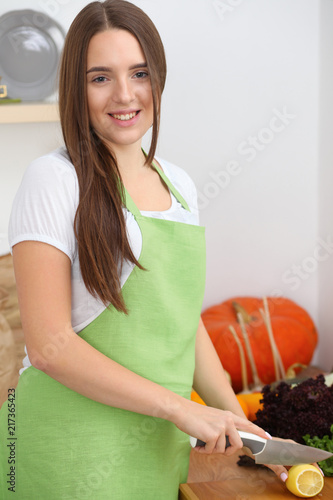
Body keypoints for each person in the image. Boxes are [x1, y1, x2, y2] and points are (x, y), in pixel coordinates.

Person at [0, 1, 312, 498]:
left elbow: (182, 326)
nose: (124, 94)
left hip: (152, 455)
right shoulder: (54, 181)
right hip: (65, 451)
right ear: (74, 89)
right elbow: (48, 347)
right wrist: (183, 409)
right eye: (99, 77)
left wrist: (241, 426)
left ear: (158, 80)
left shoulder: (180, 185)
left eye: (139, 73)